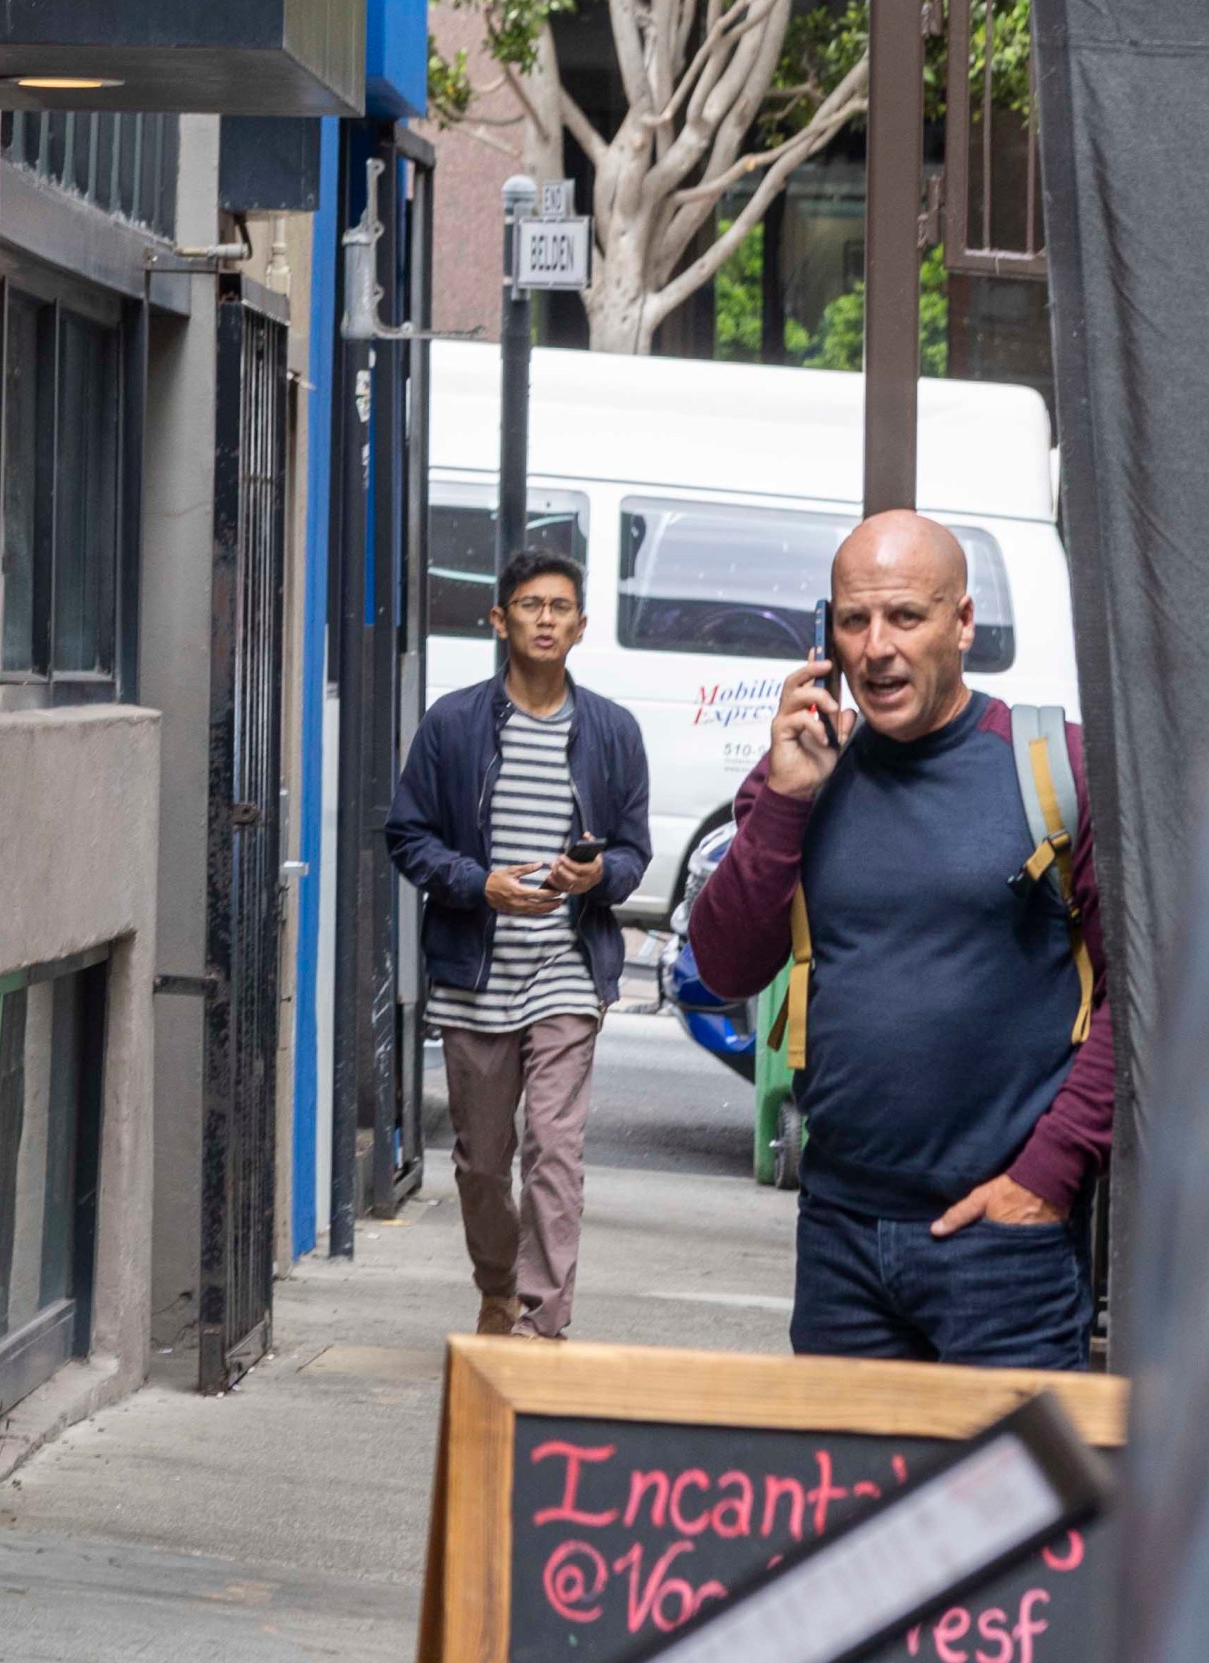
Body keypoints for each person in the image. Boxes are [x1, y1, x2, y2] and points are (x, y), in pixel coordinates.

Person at [683, 504, 1109, 1365]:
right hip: (840, 1240)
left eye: (906, 616)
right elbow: (725, 961)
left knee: (1011, 1504)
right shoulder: (803, 768)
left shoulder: (1052, 767)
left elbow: (1147, 998)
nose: (877, 646)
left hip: (1004, 1249)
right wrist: (788, 797)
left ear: (962, 624)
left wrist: (1047, 1178)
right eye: (854, 619)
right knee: (849, 1504)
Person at [386, 542, 651, 1342]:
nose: (546, 619)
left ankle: (543, 1323)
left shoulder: (612, 730)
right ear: (500, 619)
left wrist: (595, 876)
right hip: (476, 972)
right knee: (480, 1160)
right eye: (531, 605)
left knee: (556, 1151)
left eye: (560, 607)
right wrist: (478, 883)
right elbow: (408, 834)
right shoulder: (454, 723)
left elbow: (635, 855)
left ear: (580, 625)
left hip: (567, 969)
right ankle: (498, 1285)